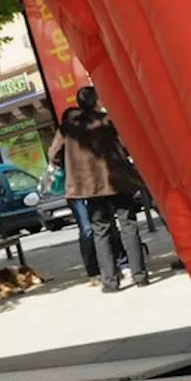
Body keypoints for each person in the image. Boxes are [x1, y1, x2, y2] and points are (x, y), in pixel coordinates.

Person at [48, 86, 150, 293]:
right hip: (118, 181)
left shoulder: (68, 127)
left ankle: (110, 282)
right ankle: (140, 276)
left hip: (89, 185)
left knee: (100, 230)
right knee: (129, 225)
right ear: (97, 101)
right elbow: (127, 144)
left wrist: (71, 165)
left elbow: (54, 154)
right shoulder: (109, 120)